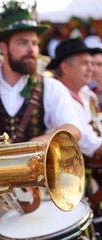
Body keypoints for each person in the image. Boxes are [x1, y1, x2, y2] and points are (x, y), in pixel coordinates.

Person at [0, 1, 83, 239]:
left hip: (39, 196)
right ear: (3, 47)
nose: (32, 49)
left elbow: (73, 129)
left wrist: (29, 146)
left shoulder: (51, 86)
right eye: (23, 43)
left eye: (34, 42)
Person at [47, 38, 102, 236]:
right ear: (65, 66)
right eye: (84, 63)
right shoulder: (59, 96)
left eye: (93, 63)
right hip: (73, 186)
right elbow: (91, 144)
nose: (91, 69)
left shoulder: (87, 94)